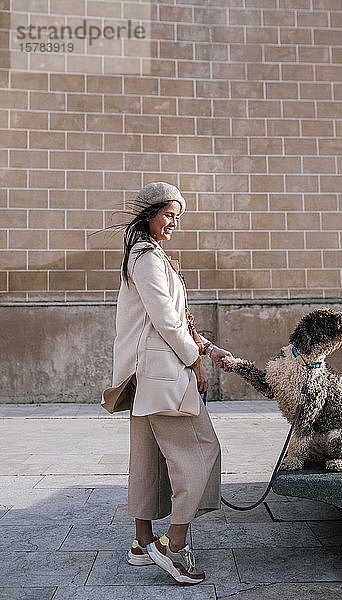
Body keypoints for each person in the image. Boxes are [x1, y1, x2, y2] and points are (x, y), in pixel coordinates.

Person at [102, 182, 232, 585]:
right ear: (148, 215)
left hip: (146, 377)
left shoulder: (145, 256)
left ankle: (142, 544)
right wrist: (196, 362)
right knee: (202, 451)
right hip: (163, 375)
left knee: (147, 459)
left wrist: (208, 347)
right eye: (168, 214)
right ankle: (172, 546)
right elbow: (166, 320)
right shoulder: (147, 258)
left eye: (177, 215)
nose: (174, 222)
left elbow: (174, 319)